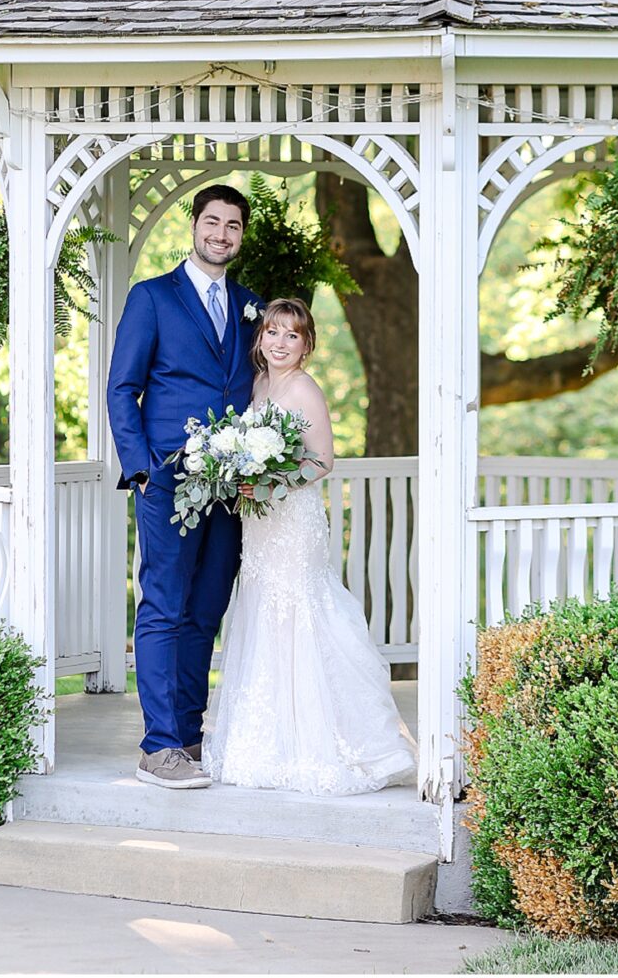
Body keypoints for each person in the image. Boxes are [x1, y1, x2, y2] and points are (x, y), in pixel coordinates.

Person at [203, 297, 418, 795]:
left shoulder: (304, 388)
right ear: (261, 339)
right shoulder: (257, 384)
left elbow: (323, 461)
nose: (280, 342)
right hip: (259, 525)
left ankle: (321, 744)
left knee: (299, 610)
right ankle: (267, 742)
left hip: (294, 522)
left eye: (292, 335)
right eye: (273, 332)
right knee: (262, 615)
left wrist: (272, 485)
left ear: (307, 345)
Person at [106, 183, 264, 790]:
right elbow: (123, 388)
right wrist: (142, 468)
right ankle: (158, 746)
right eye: (212, 222)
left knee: (205, 611)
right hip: (167, 477)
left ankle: (189, 735)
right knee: (165, 606)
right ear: (193, 224)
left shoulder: (249, 305)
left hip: (231, 484)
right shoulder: (152, 298)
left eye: (232, 226)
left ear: (240, 236)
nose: (221, 234)